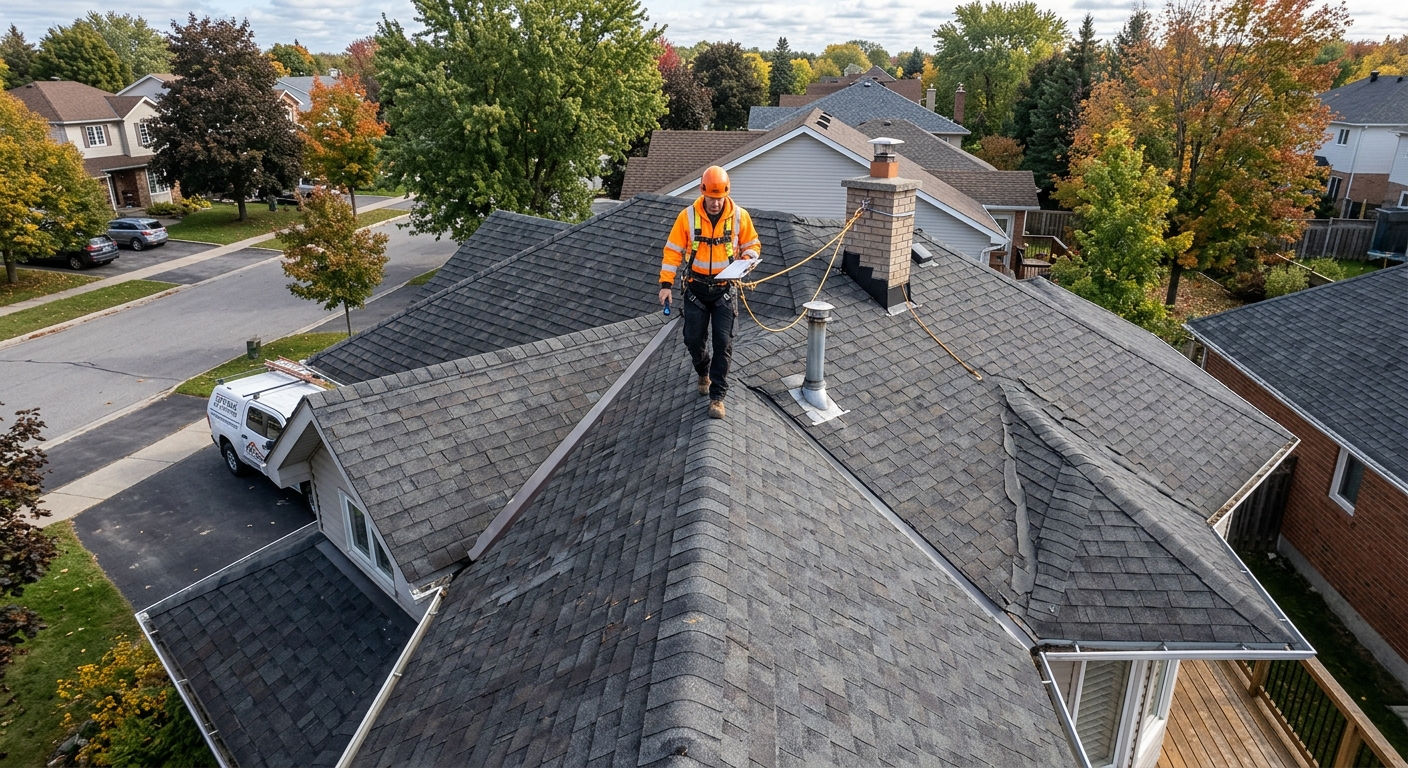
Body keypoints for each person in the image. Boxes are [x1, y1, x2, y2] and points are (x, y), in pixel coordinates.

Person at [659, 166, 760, 420]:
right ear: (702, 192)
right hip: (696, 288)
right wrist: (666, 285)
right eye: (711, 198)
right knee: (693, 339)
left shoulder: (739, 217)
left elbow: (752, 244)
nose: (715, 203)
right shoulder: (687, 217)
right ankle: (702, 370)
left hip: (724, 290)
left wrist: (748, 259)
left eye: (719, 198)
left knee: (723, 343)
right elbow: (672, 251)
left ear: (726, 194)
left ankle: (717, 396)